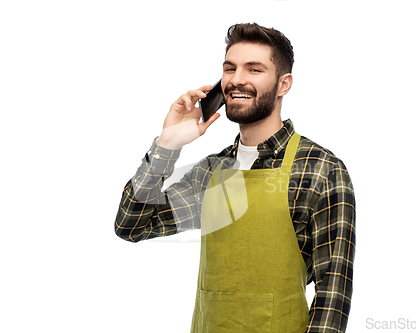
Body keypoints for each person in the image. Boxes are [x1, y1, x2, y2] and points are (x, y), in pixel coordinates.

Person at [115, 23, 356, 333]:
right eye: (230, 69)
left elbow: (332, 298)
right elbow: (131, 225)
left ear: (284, 84)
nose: (236, 79)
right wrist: (167, 145)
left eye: (254, 69)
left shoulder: (320, 169)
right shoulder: (211, 172)